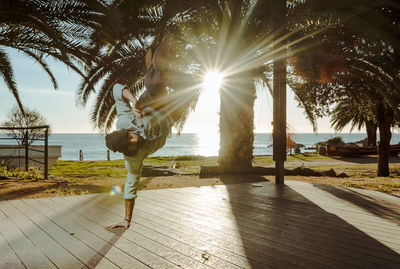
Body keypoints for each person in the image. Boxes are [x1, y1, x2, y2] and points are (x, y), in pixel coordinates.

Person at [106, 35, 177, 229]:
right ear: (125, 151)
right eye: (130, 144)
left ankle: (159, 59)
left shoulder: (123, 121)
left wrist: (133, 100)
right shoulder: (133, 161)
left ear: (125, 131)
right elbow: (130, 188)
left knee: (153, 89)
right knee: (179, 97)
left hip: (150, 102)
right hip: (167, 120)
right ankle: (153, 71)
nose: (134, 140)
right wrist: (126, 220)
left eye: (130, 136)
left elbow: (116, 89)